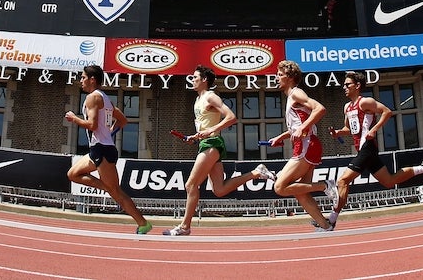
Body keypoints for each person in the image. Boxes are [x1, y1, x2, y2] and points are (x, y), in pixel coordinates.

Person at [323, 71, 423, 228]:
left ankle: (332, 219)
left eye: (347, 84)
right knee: (389, 182)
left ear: (357, 86)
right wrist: (337, 132)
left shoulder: (365, 102)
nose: (344, 87)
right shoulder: (347, 107)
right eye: (343, 84)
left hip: (368, 148)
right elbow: (349, 128)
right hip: (361, 149)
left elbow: (387, 112)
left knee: (342, 181)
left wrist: (375, 129)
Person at [164, 65, 269, 236]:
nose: (192, 80)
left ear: (204, 80)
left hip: (212, 143)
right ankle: (256, 173)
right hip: (205, 142)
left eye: (195, 77)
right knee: (219, 190)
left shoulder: (211, 97)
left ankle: (185, 226)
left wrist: (211, 130)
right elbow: (205, 125)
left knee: (190, 185)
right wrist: (196, 136)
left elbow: (231, 117)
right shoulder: (198, 100)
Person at [64, 64, 152, 234]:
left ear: (92, 79)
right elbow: (123, 121)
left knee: (116, 192)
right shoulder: (106, 99)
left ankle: (143, 223)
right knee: (73, 174)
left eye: (83, 78)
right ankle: (107, 188)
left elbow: (92, 125)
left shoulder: (92, 98)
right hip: (98, 148)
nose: (80, 81)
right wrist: (110, 133)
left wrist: (74, 118)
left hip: (102, 150)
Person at [255, 60, 337, 231]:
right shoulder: (291, 97)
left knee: (280, 187)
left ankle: (325, 186)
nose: (276, 78)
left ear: (290, 77)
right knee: (301, 193)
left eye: (280, 75)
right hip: (308, 144)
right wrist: (281, 136)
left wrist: (301, 127)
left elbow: (320, 109)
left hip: (306, 145)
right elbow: (296, 127)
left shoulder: (296, 93)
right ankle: (325, 225)